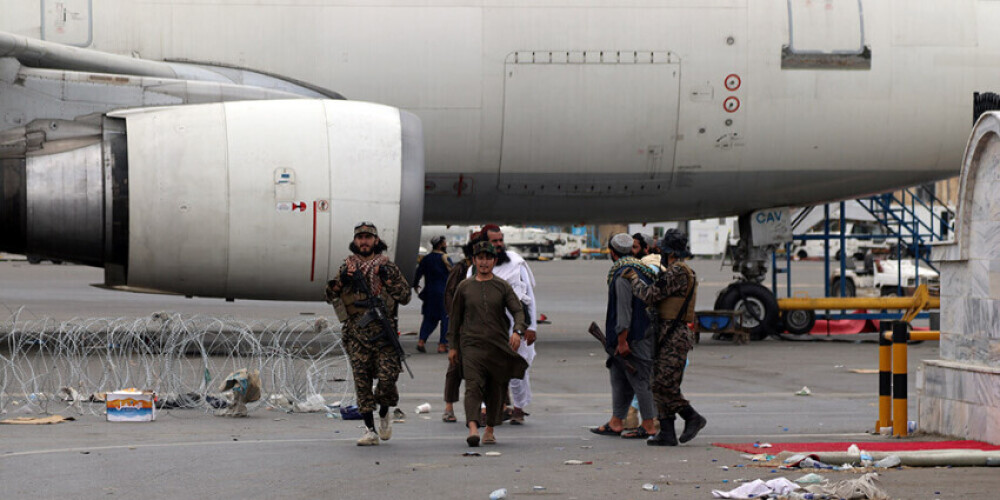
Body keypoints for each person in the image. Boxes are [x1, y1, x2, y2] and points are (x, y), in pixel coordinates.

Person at [325, 222, 411, 446]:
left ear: (375, 241)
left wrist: (388, 281)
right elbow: (329, 293)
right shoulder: (347, 266)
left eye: (368, 237)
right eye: (360, 238)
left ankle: (383, 411)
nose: (364, 241)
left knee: (387, 379)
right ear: (355, 241)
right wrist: (343, 279)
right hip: (357, 333)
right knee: (362, 383)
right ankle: (369, 430)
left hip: (384, 333)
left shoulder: (386, 266)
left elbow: (405, 296)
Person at [625, 228, 707, 446]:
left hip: (674, 335)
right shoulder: (675, 270)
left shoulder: (678, 272)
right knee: (659, 382)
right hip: (667, 334)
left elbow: (650, 295)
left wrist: (634, 279)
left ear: (670, 251)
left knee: (664, 385)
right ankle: (667, 431)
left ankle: (692, 417)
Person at [448, 241, 529, 447]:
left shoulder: (502, 286)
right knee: (473, 386)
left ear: (494, 261)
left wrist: (518, 331)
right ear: (474, 260)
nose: (484, 262)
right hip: (471, 345)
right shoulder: (464, 287)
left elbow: (518, 311)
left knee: (496, 388)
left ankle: (490, 430)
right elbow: (455, 319)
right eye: (480, 258)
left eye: (488, 258)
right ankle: (473, 428)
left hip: (497, 345)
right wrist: (453, 347)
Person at [467, 224, 538, 425]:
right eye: (494, 241)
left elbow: (528, 298)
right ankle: (484, 410)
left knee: (518, 367)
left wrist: (531, 326)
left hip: (517, 325)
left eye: (500, 240)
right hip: (486, 326)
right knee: (484, 368)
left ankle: (518, 408)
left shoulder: (516, 263)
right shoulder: (473, 269)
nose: (499, 245)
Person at [590, 233, 658, 439]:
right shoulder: (643, 270)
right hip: (641, 332)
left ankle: (648, 425)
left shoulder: (622, 274)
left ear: (612, 252)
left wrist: (622, 340)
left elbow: (624, 310)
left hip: (633, 337)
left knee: (640, 380)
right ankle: (616, 421)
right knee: (618, 376)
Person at [441, 232, 481, 423]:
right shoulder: (461, 268)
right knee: (455, 367)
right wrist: (455, 316)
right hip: (461, 326)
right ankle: (449, 406)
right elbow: (449, 293)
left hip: (483, 327)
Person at [414, 235, 453, 353]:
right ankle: (442, 345)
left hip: (430, 293)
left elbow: (418, 273)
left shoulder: (426, 259)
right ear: (441, 244)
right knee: (446, 319)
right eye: (445, 242)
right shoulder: (445, 258)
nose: (446, 244)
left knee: (429, 319)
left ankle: (421, 341)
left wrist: (415, 284)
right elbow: (453, 273)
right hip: (443, 293)